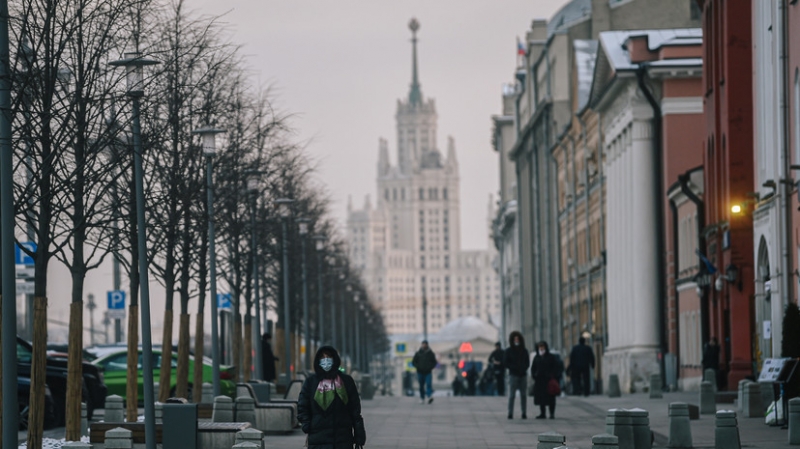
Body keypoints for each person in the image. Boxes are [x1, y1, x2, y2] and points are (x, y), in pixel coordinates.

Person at [297, 346, 366, 449]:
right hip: (318, 439)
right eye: (322, 357)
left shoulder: (346, 381)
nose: (325, 360)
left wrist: (359, 436)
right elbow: (303, 405)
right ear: (318, 361)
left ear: (335, 359)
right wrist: (307, 424)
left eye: (328, 357)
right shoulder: (311, 382)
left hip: (342, 439)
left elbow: (355, 411)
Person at [503, 331, 530, 419]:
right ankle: (510, 413)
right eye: (515, 339)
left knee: (523, 395)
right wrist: (513, 368)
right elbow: (506, 363)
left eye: (518, 339)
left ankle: (524, 413)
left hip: (523, 375)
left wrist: (523, 368)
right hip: (513, 375)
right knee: (511, 395)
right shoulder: (508, 351)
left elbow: (527, 363)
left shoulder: (524, 351)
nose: (516, 340)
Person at [531, 340, 558, 419]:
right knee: (541, 398)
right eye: (540, 347)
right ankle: (542, 413)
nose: (541, 348)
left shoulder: (551, 357)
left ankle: (552, 413)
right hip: (539, 381)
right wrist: (534, 375)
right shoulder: (537, 357)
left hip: (548, 381)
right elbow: (533, 368)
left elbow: (555, 367)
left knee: (551, 398)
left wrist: (552, 376)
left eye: (543, 346)